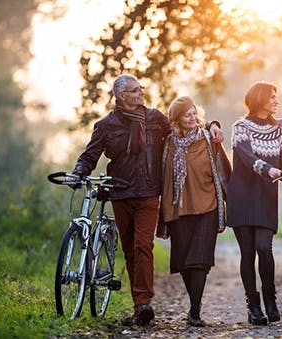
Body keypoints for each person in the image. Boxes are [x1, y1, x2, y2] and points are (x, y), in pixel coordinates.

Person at [72, 74, 223, 326]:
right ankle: (137, 302)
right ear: (121, 96)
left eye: (141, 88)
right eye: (135, 90)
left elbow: (184, 125)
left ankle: (144, 302)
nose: (141, 92)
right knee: (130, 248)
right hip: (121, 193)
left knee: (143, 245)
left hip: (149, 194)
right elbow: (90, 155)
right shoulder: (106, 126)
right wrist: (79, 171)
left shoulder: (154, 119)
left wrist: (212, 125)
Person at [227, 81, 282, 326]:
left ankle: (270, 300)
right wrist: (268, 170)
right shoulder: (241, 127)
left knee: (264, 248)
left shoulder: (278, 131)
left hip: (266, 200)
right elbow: (246, 157)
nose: (277, 101)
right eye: (272, 97)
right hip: (242, 198)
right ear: (260, 99)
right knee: (247, 253)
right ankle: (253, 306)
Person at [158, 96, 230, 327]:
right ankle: (193, 306)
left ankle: (195, 312)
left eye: (193, 113)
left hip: (207, 205)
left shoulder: (209, 139)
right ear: (177, 120)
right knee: (183, 262)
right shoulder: (168, 143)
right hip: (177, 209)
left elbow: (225, 171)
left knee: (199, 260)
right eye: (186, 115)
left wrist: (232, 201)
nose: (192, 118)